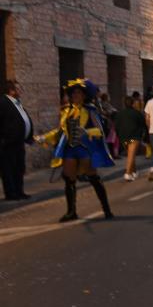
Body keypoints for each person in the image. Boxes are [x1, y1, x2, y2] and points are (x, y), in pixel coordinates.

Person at [35, 79, 113, 221]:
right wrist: (44, 137)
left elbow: (100, 131)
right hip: (70, 148)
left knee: (93, 178)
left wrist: (87, 132)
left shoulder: (90, 110)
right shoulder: (66, 111)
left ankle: (106, 209)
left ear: (84, 95)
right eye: (74, 93)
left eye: (79, 93)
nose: (76, 95)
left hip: (85, 148)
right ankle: (71, 212)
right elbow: (61, 131)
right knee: (69, 180)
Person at [0, 80, 33, 200]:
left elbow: (22, 120)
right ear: (11, 90)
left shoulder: (17, 103)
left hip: (19, 142)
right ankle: (11, 193)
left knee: (19, 168)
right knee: (9, 169)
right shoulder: (3, 102)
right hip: (8, 144)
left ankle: (19, 191)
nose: (21, 90)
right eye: (18, 88)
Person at [115, 96, 146, 182]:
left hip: (123, 137)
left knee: (130, 154)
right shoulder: (137, 113)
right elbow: (143, 125)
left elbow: (116, 126)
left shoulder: (119, 114)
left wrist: (119, 136)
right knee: (131, 155)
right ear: (132, 103)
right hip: (134, 137)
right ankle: (128, 173)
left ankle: (134, 171)